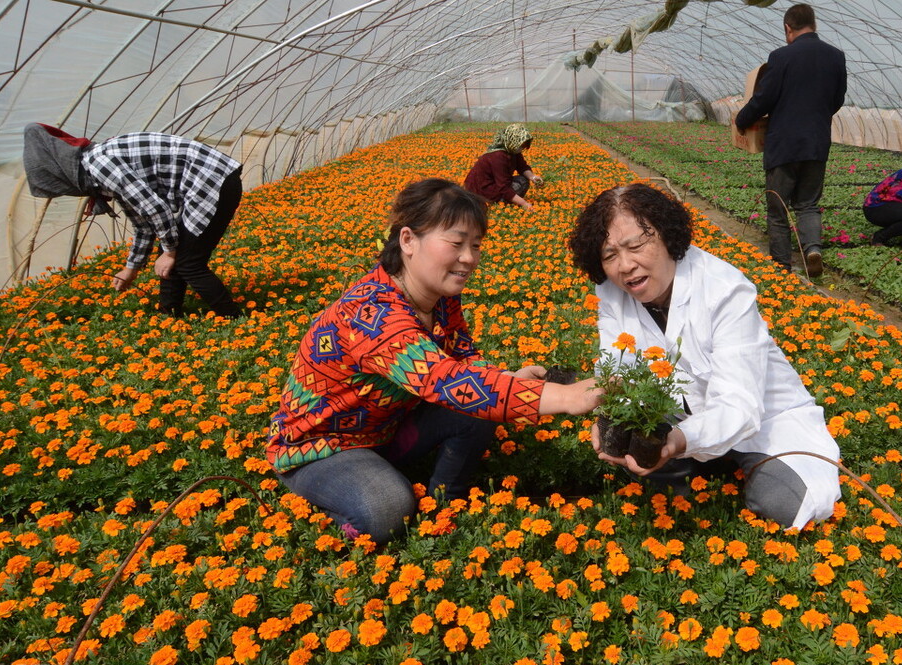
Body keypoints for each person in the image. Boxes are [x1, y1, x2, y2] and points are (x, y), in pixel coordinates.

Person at [267, 178, 600, 543]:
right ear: (408, 240)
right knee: (387, 510)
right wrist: (566, 398)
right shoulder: (371, 315)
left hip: (387, 430)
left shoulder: (439, 297)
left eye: (475, 245)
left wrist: (510, 379)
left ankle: (446, 506)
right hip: (323, 446)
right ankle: (335, 506)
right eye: (456, 243)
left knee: (482, 404)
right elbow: (443, 381)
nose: (469, 258)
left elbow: (463, 361)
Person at [569, 183, 842, 530]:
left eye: (636, 245)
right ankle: (699, 463)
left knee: (784, 503)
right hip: (678, 416)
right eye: (609, 255)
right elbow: (618, 364)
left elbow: (739, 405)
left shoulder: (724, 289)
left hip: (763, 420)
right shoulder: (611, 291)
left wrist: (679, 441)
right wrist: (613, 415)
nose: (625, 265)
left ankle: (734, 461)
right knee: (631, 457)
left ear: (667, 237)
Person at [22, 123, 243, 317]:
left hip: (212, 181)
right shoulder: (98, 163)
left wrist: (170, 252)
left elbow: (156, 209)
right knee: (172, 255)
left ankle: (234, 318)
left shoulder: (100, 166)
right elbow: (143, 224)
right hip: (210, 181)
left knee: (187, 262)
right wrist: (131, 268)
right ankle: (168, 316)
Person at [734, 3, 847, 278]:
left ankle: (781, 266)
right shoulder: (836, 56)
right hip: (816, 143)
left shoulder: (782, 57)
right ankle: (812, 250)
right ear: (814, 24)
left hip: (784, 144)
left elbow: (764, 99)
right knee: (808, 203)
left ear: (788, 28)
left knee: (778, 206)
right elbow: (837, 99)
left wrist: (741, 119)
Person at [463, 124, 542, 212]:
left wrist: (533, 177)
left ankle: (505, 200)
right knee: (521, 183)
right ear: (513, 140)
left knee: (523, 180)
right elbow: (503, 187)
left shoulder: (512, 151)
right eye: (522, 144)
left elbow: (522, 166)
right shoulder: (498, 156)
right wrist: (524, 204)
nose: (523, 148)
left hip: (492, 185)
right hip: (480, 191)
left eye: (524, 145)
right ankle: (496, 202)